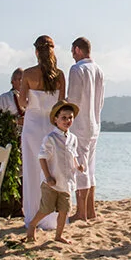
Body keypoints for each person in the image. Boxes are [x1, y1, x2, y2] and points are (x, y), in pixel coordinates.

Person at [18, 35, 65, 230]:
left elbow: (22, 103)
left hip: (32, 126)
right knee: (52, 170)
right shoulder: (60, 75)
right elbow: (61, 105)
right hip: (51, 126)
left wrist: (32, 106)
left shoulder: (28, 74)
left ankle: (32, 216)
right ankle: (52, 218)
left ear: (36, 52)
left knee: (32, 170)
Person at [25, 100, 84, 244]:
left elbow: (73, 156)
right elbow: (42, 158)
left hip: (67, 181)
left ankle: (58, 235)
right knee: (46, 209)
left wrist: (78, 166)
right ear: (56, 119)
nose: (67, 121)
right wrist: (48, 176)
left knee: (65, 210)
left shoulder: (73, 138)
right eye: (64, 118)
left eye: (70, 117)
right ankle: (32, 225)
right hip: (51, 182)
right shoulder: (50, 138)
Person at [66, 36, 104, 222]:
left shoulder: (77, 69)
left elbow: (72, 101)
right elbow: (101, 101)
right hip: (94, 124)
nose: (72, 54)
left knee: (80, 167)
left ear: (77, 50)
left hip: (80, 124)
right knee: (90, 168)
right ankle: (91, 210)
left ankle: (81, 212)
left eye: (72, 50)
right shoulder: (98, 70)